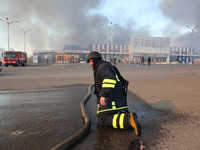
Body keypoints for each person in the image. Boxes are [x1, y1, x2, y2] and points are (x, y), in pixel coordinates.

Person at [87, 51, 141, 136]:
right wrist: (99, 101)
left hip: (113, 99)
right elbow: (99, 88)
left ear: (95, 60)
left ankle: (128, 120)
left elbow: (109, 79)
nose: (90, 64)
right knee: (101, 113)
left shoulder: (102, 67)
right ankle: (122, 114)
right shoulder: (104, 66)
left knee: (103, 119)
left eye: (91, 61)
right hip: (118, 99)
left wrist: (103, 95)